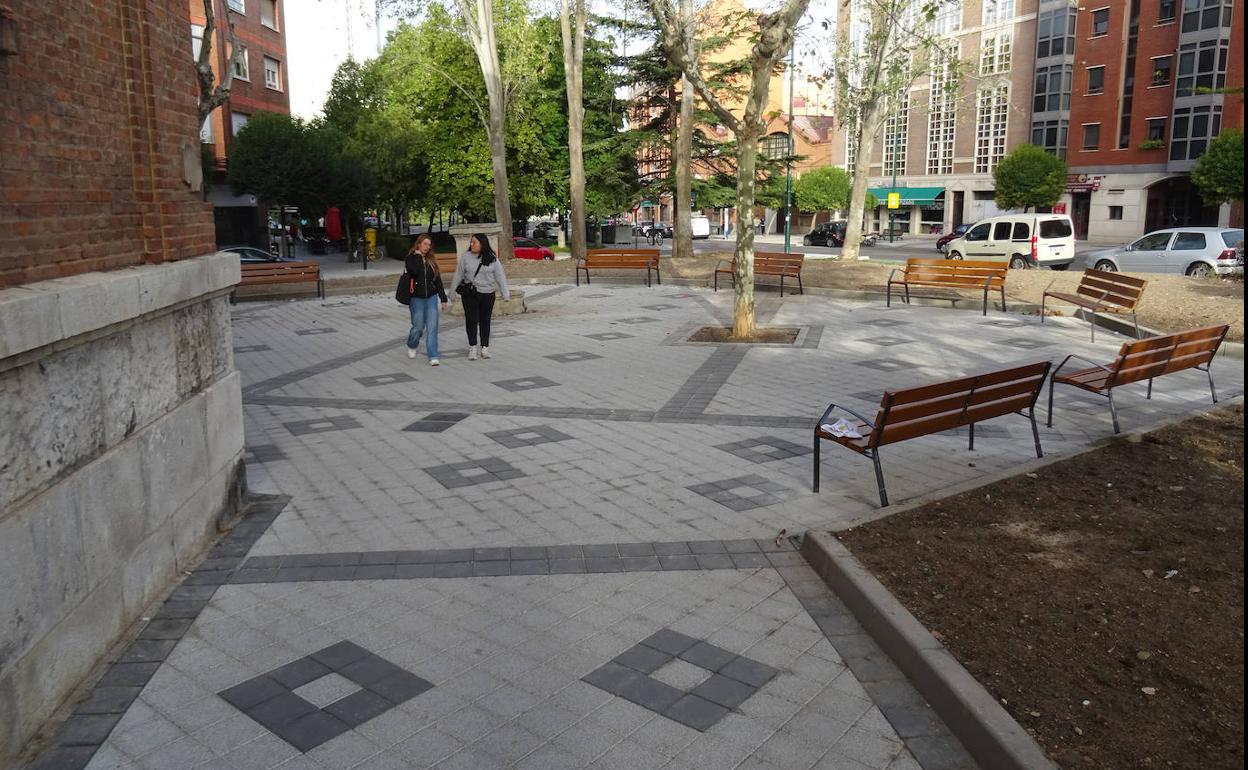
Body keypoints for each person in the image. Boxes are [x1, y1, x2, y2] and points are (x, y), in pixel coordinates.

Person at [450, 233, 510, 361]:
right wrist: (452, 292)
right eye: (471, 242)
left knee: (485, 321)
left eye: (474, 242)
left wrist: (506, 294)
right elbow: (458, 275)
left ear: (482, 244)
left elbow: (500, 276)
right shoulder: (466, 257)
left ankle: (484, 347)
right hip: (471, 294)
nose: (471, 244)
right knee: (471, 321)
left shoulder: (492, 258)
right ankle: (472, 347)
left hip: (488, 294)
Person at [404, 233, 448, 366]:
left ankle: (433, 355)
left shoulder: (431, 260)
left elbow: (437, 279)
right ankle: (412, 344)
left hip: (431, 298)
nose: (427, 247)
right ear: (418, 244)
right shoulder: (410, 258)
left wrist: (443, 298)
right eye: (425, 244)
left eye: (429, 245)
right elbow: (414, 271)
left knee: (432, 327)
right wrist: (418, 256)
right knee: (418, 327)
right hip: (416, 298)